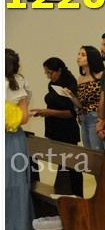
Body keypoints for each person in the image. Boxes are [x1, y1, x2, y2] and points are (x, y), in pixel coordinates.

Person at [31, 57, 83, 197]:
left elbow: (71, 113)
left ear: (59, 70)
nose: (48, 76)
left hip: (66, 131)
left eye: (50, 72)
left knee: (72, 168)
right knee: (62, 167)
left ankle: (76, 196)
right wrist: (42, 112)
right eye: (46, 73)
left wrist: (48, 112)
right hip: (54, 129)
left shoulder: (70, 85)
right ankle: (62, 195)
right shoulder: (52, 84)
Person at [5, 48, 34, 230]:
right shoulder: (18, 82)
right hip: (13, 138)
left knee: (13, 184)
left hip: (11, 138)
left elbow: (23, 118)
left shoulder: (17, 84)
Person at [68, 45, 104, 151]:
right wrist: (71, 96)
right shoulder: (80, 79)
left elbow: (104, 99)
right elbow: (81, 104)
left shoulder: (101, 76)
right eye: (79, 54)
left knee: (96, 150)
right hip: (84, 117)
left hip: (95, 116)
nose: (79, 57)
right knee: (87, 150)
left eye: (83, 55)